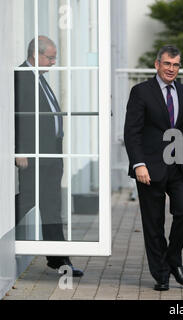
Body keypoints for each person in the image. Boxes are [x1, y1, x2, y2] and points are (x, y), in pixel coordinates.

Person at [124, 45, 183, 291]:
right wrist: (138, 164)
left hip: (179, 168)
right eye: (167, 64)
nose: (172, 69)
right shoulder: (141, 92)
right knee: (154, 223)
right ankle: (161, 274)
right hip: (149, 168)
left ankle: (173, 260)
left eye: (176, 65)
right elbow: (131, 132)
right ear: (157, 65)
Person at [15, 36, 83, 277]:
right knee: (26, 202)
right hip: (34, 157)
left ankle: (59, 260)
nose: (54, 62)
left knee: (51, 207)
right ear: (36, 54)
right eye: (51, 57)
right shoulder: (22, 76)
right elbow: (18, 115)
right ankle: (58, 259)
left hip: (50, 155)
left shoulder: (39, 78)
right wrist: (21, 150)